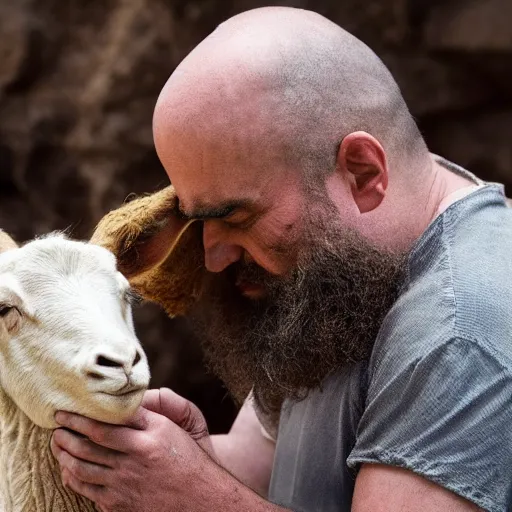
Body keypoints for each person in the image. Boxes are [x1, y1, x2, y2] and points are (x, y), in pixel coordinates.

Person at [50, 6, 512, 512]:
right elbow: (257, 467)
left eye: (237, 217)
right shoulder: (347, 279)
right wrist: (172, 458)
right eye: (199, 220)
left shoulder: (462, 333)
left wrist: (197, 498)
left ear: (362, 173)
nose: (212, 256)